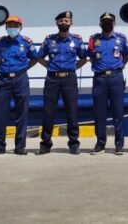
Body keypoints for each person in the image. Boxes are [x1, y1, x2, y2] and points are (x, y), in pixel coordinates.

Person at [36, 11, 86, 155]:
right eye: (61, 21)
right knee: (48, 112)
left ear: (71, 23)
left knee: (72, 112)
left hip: (69, 79)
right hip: (52, 79)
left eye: (66, 20)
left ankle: (74, 144)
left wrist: (72, 68)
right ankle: (45, 144)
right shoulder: (49, 40)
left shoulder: (77, 40)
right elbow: (39, 57)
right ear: (57, 23)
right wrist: (50, 67)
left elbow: (83, 58)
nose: (64, 23)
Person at [0, 15, 38, 155]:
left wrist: (22, 69)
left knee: (22, 113)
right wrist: (4, 69)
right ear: (6, 27)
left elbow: (34, 58)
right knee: (0, 113)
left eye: (15, 26)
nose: (12, 28)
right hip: (4, 79)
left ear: (20, 27)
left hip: (20, 79)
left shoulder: (26, 42)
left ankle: (20, 146)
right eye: (10, 25)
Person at [88, 12, 128, 155]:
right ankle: (100, 143)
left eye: (109, 21)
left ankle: (119, 144)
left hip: (116, 78)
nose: (107, 23)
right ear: (100, 24)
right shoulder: (94, 39)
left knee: (118, 111)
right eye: (104, 21)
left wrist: (117, 69)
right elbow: (91, 56)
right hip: (99, 78)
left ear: (114, 23)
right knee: (99, 113)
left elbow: (125, 57)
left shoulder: (121, 39)